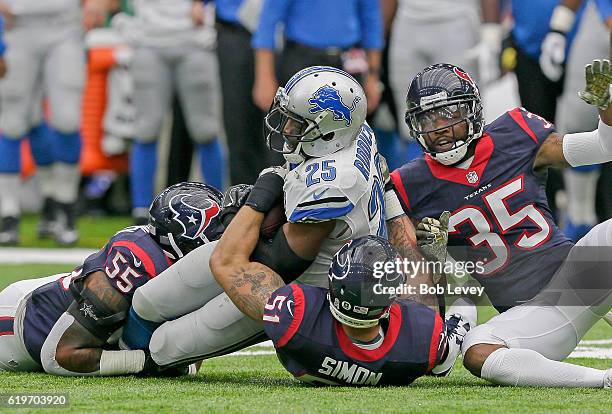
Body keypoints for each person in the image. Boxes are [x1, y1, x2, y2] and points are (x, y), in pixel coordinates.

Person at [123, 66, 432, 368]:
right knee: (146, 301)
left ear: (329, 129)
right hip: (299, 258)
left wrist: (259, 198)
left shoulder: (332, 184)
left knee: (165, 347)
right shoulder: (356, 132)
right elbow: (384, 176)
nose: (286, 129)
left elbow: (277, 260)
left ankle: (127, 360)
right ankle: (118, 336)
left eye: (298, 124)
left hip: (300, 291)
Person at [390, 62, 612, 387]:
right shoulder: (407, 185)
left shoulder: (515, 132)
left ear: (472, 110)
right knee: (479, 351)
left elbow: (603, 147)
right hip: (535, 314)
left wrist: (607, 106)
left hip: (579, 272)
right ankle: (603, 380)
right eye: (428, 119)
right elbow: (420, 276)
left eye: (449, 114)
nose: (438, 127)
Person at [210, 203, 476, 386]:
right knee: (466, 307)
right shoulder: (423, 344)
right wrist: (431, 265)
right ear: (389, 303)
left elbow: (227, 262)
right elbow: (442, 356)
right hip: (415, 343)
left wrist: (261, 196)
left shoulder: (295, 316)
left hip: (315, 341)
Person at [0, 182, 224, 375]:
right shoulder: (135, 265)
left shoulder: (173, 261)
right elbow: (59, 355)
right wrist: (146, 362)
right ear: (188, 237)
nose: (226, 237)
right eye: (219, 231)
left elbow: (191, 355)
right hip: (16, 327)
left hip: (67, 300)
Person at [0, 0, 105, 245]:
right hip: (17, 27)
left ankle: (64, 206)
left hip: (65, 26)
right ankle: (9, 214)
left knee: (67, 119)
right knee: (13, 121)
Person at [127, 0, 224, 224]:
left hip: (195, 40)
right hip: (148, 40)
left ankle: (220, 207)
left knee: (205, 130)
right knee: (146, 130)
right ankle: (140, 210)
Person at [251, 0, 383, 115]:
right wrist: (264, 77)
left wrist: (373, 76)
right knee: (293, 132)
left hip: (349, 61)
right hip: (301, 62)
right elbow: (268, 21)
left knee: (347, 135)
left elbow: (371, 20)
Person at [215, 0, 282, 186]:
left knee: (281, 132)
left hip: (286, 35)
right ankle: (242, 204)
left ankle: (279, 205)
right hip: (236, 30)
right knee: (238, 126)